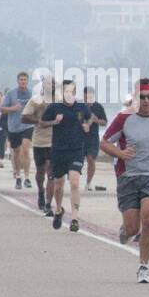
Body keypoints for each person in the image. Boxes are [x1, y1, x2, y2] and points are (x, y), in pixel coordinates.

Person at [101, 88, 149, 283]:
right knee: (133, 228)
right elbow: (105, 142)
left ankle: (144, 265)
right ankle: (126, 230)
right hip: (128, 176)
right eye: (141, 97)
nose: (145, 100)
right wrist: (121, 154)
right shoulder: (123, 118)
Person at [42, 80, 94, 232]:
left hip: (76, 150)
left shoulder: (81, 106)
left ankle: (74, 218)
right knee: (59, 185)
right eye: (66, 91)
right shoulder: (54, 107)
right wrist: (54, 121)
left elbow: (89, 116)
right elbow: (42, 123)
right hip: (58, 151)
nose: (69, 94)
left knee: (74, 183)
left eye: (72, 91)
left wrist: (87, 124)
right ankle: (58, 209)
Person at [22, 77, 56, 212]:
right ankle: (41, 192)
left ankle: (48, 204)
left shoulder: (60, 100)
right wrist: (38, 121)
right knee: (41, 172)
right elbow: (24, 117)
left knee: (51, 173)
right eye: (48, 83)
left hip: (55, 142)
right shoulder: (36, 100)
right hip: (40, 141)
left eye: (53, 84)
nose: (51, 86)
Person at [1, 71, 34, 190]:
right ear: (18, 81)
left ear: (27, 81)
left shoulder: (31, 93)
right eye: (21, 80)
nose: (23, 82)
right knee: (16, 153)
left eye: (25, 80)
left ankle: (27, 178)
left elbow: (36, 107)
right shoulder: (11, 93)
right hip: (14, 127)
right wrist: (13, 108)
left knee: (25, 150)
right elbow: (2, 109)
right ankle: (18, 177)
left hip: (27, 126)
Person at [81, 86, 108, 191]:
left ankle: (88, 183)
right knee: (77, 160)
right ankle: (74, 176)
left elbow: (104, 122)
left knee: (90, 159)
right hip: (80, 137)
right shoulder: (79, 106)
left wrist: (96, 120)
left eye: (90, 95)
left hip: (93, 138)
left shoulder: (98, 107)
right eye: (86, 94)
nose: (88, 97)